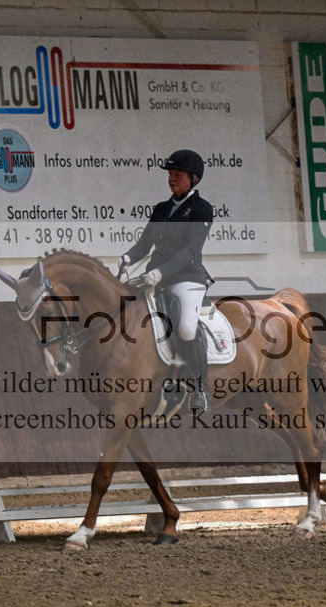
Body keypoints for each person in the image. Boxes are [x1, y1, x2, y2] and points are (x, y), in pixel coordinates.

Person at [119, 149, 213, 412]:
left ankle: (202, 389)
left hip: (186, 279)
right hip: (154, 279)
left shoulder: (202, 209)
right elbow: (144, 244)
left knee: (186, 328)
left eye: (178, 175)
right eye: (170, 174)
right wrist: (127, 258)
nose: (172, 179)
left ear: (194, 178)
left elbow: (190, 251)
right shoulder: (161, 209)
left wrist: (162, 272)